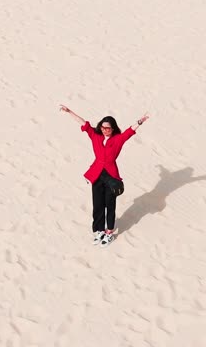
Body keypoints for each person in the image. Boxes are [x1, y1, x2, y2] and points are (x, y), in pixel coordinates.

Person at [59, 105, 149, 245]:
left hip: (111, 176)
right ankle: (99, 230)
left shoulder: (118, 139)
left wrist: (139, 122)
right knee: (98, 204)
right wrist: (69, 112)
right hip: (97, 174)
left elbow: (129, 132)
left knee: (110, 204)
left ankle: (109, 232)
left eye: (108, 128)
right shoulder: (95, 136)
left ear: (113, 128)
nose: (105, 130)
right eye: (102, 127)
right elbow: (84, 123)